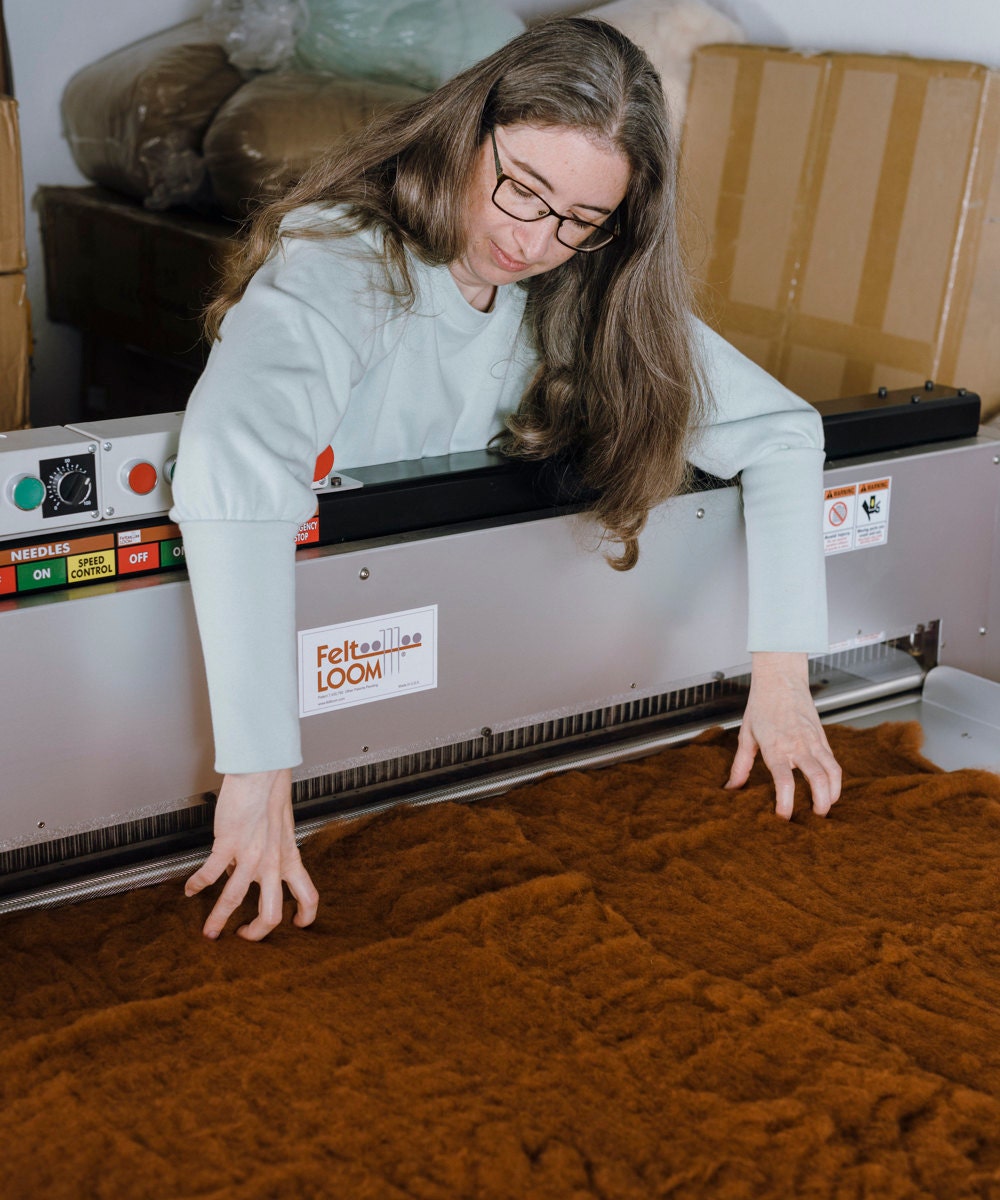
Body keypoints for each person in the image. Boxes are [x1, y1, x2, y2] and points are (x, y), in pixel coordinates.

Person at [170, 16, 842, 942]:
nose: (534, 242)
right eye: (522, 191)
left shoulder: (579, 287)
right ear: (465, 131)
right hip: (309, 644)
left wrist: (782, 676)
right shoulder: (343, 255)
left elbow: (779, 434)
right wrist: (258, 770)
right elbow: (233, 463)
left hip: (455, 679)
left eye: (580, 220)